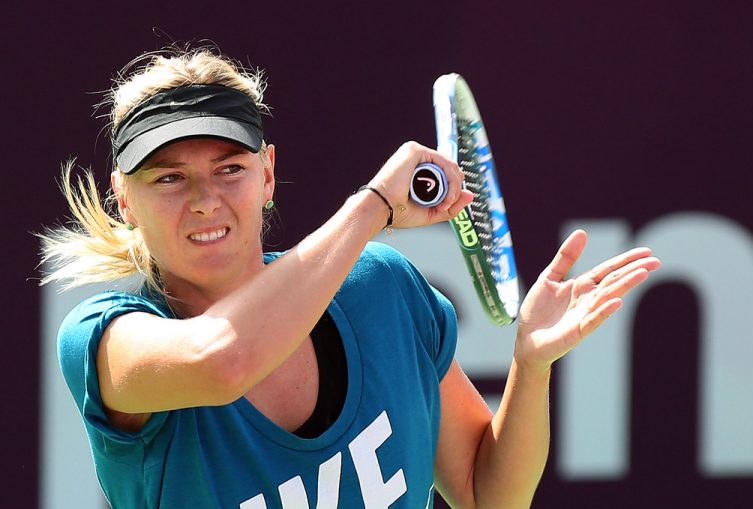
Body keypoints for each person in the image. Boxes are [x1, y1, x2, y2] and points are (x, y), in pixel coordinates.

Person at [40, 47, 660, 509]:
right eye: (169, 178)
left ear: (267, 174)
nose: (204, 200)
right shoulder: (104, 340)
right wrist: (372, 207)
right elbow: (224, 360)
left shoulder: (383, 289)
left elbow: (484, 495)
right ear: (124, 198)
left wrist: (531, 364)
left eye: (230, 168)